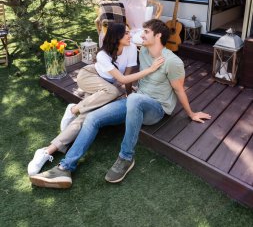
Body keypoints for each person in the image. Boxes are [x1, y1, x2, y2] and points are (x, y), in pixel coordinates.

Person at [29, 19, 211, 189]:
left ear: (158, 36)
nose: (141, 35)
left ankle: (126, 157)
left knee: (133, 98)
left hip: (156, 109)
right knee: (92, 117)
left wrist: (191, 113)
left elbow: (179, 89)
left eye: (146, 32)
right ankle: (64, 168)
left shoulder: (173, 62)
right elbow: (124, 68)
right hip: (134, 101)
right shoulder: (145, 51)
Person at [28, 22, 164, 176]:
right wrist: (150, 70)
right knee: (112, 91)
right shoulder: (102, 54)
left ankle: (46, 151)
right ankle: (74, 109)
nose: (130, 35)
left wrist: (128, 94)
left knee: (87, 117)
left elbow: (127, 76)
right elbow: (122, 79)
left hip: (105, 86)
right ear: (116, 36)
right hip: (90, 77)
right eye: (126, 33)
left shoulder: (131, 48)